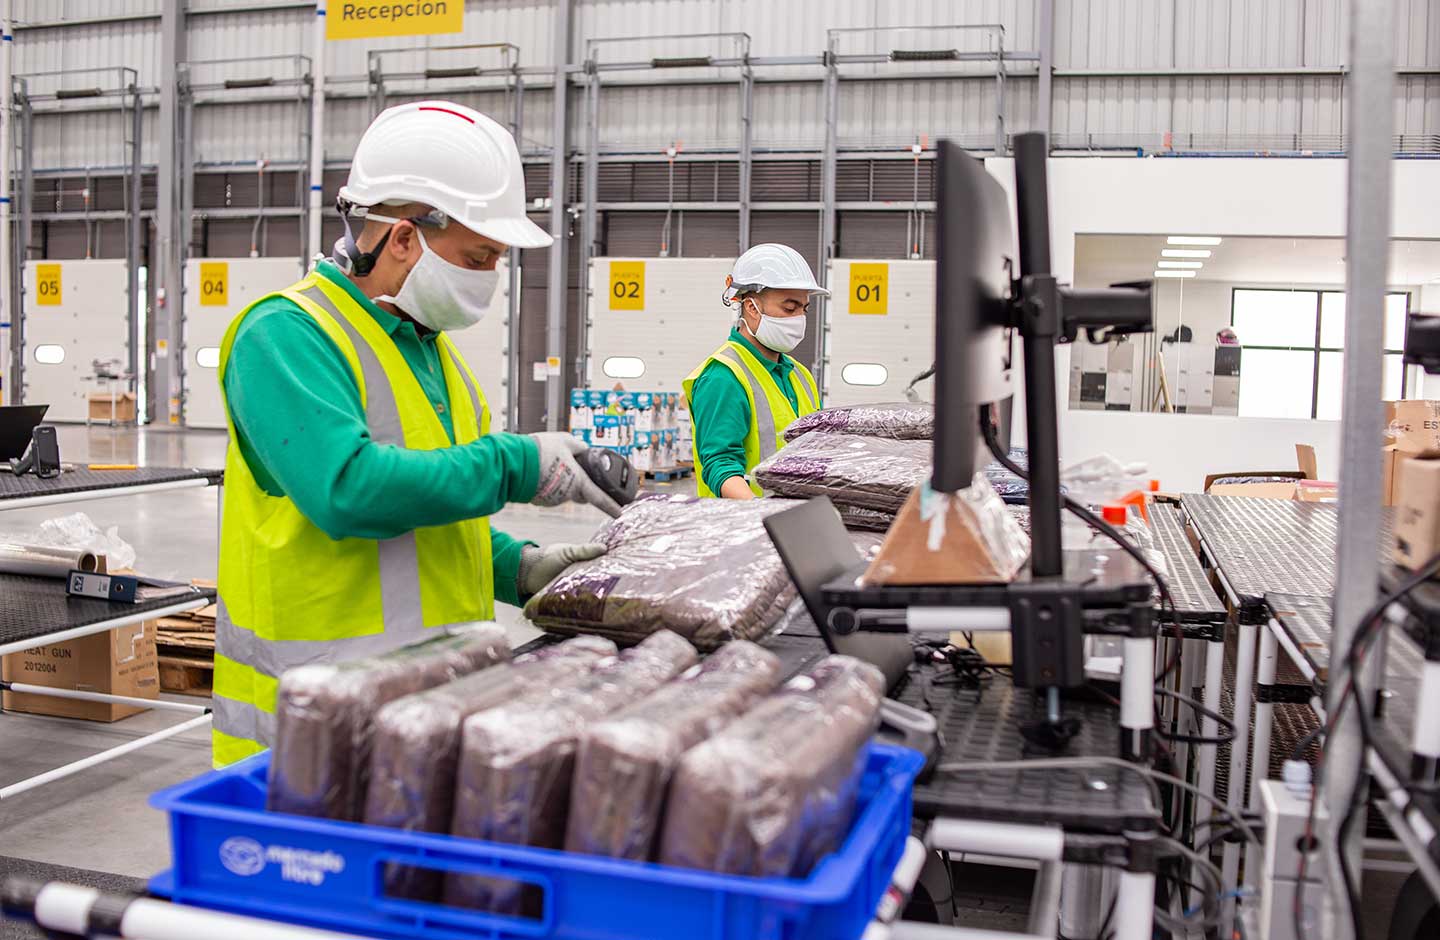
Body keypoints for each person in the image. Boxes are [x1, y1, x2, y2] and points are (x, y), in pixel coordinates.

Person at [210, 101, 619, 767]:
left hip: (429, 709)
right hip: (317, 730)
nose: (491, 276)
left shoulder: (434, 354)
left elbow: (425, 511)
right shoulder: (283, 335)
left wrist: (516, 567)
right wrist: (518, 463)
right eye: (479, 256)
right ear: (403, 238)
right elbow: (347, 489)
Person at [682, 244, 826, 499]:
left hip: (793, 522)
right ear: (751, 307)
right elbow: (720, 465)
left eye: (804, 309)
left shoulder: (800, 375)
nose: (799, 319)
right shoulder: (724, 375)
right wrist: (758, 513)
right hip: (742, 529)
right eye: (789, 308)